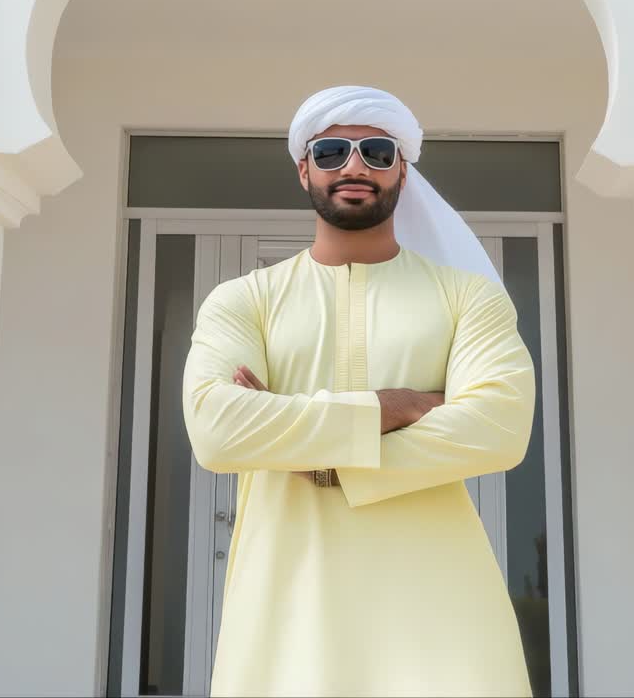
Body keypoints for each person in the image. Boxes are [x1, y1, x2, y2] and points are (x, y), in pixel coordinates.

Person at [181, 85, 537, 697]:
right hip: (288, 598)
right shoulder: (245, 300)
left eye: (376, 151)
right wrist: (391, 407)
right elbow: (218, 430)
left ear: (403, 169)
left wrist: (319, 457)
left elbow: (499, 427)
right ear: (303, 169)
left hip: (435, 599)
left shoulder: (467, 297)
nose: (354, 166)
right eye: (332, 152)